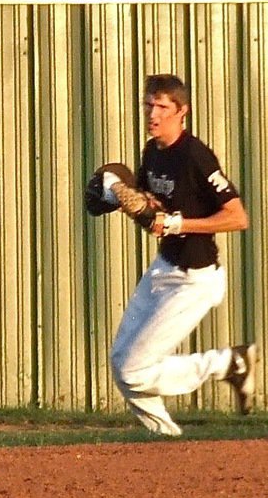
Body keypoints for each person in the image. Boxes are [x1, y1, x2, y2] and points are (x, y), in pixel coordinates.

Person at [108, 73, 256, 438]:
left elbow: (238, 217)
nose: (153, 114)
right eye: (148, 105)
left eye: (162, 106)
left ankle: (229, 363)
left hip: (196, 278)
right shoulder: (152, 151)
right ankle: (165, 438)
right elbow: (148, 204)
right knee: (121, 364)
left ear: (182, 111)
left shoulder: (195, 155)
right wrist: (118, 194)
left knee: (134, 370)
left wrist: (179, 224)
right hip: (164, 268)